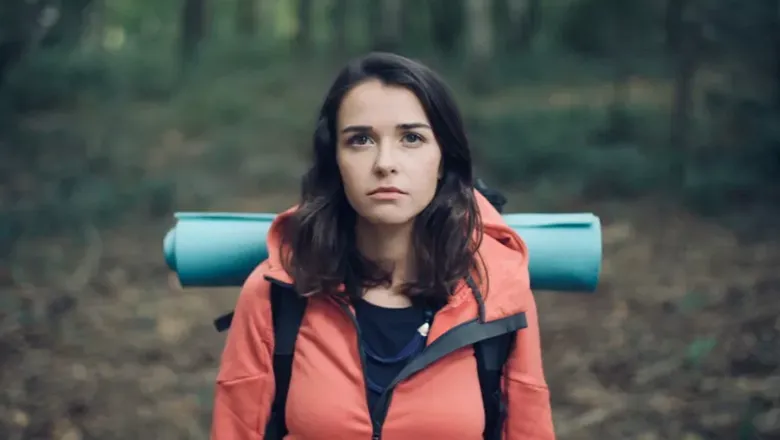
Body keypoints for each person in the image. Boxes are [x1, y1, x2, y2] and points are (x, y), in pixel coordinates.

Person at [211, 52, 555, 440]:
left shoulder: (500, 296)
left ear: (442, 159)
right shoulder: (276, 293)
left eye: (412, 138)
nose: (385, 163)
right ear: (335, 161)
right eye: (360, 140)